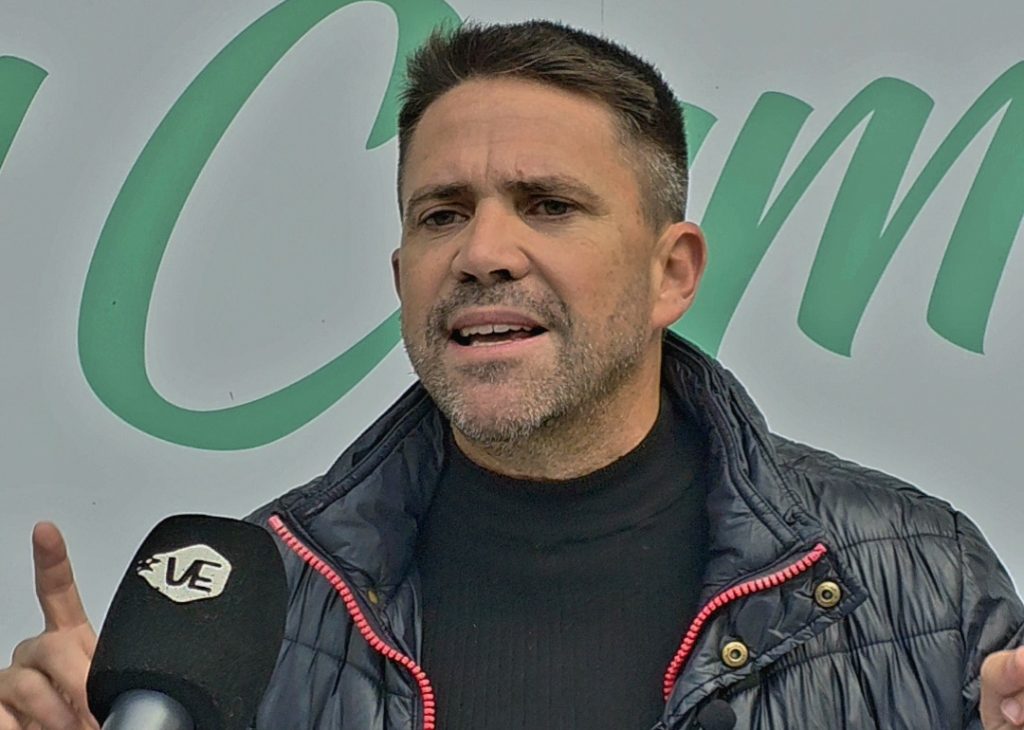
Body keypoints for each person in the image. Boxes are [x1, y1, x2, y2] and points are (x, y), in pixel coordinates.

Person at [2, 19, 1024, 730]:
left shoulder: (921, 578)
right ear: (401, 275)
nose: (482, 252)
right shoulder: (261, 604)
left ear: (672, 273)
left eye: (548, 205)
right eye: (442, 213)